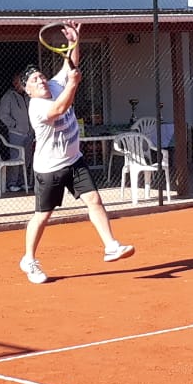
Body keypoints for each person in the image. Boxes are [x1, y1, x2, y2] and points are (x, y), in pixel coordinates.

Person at [18, 20, 134, 284]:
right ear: (28, 90)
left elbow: (70, 64)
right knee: (43, 215)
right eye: (35, 80)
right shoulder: (37, 108)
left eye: (41, 76)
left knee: (94, 200)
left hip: (74, 160)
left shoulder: (55, 84)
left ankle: (111, 246)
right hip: (49, 169)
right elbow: (60, 108)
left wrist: (74, 42)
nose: (41, 80)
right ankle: (29, 259)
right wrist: (73, 83)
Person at [0, 72, 33, 193]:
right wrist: (14, 125)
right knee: (16, 159)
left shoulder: (28, 96)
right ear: (15, 83)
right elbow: (3, 115)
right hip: (16, 133)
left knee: (27, 159)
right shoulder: (9, 96)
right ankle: (11, 183)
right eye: (20, 81)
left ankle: (23, 182)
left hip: (29, 133)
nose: (23, 83)